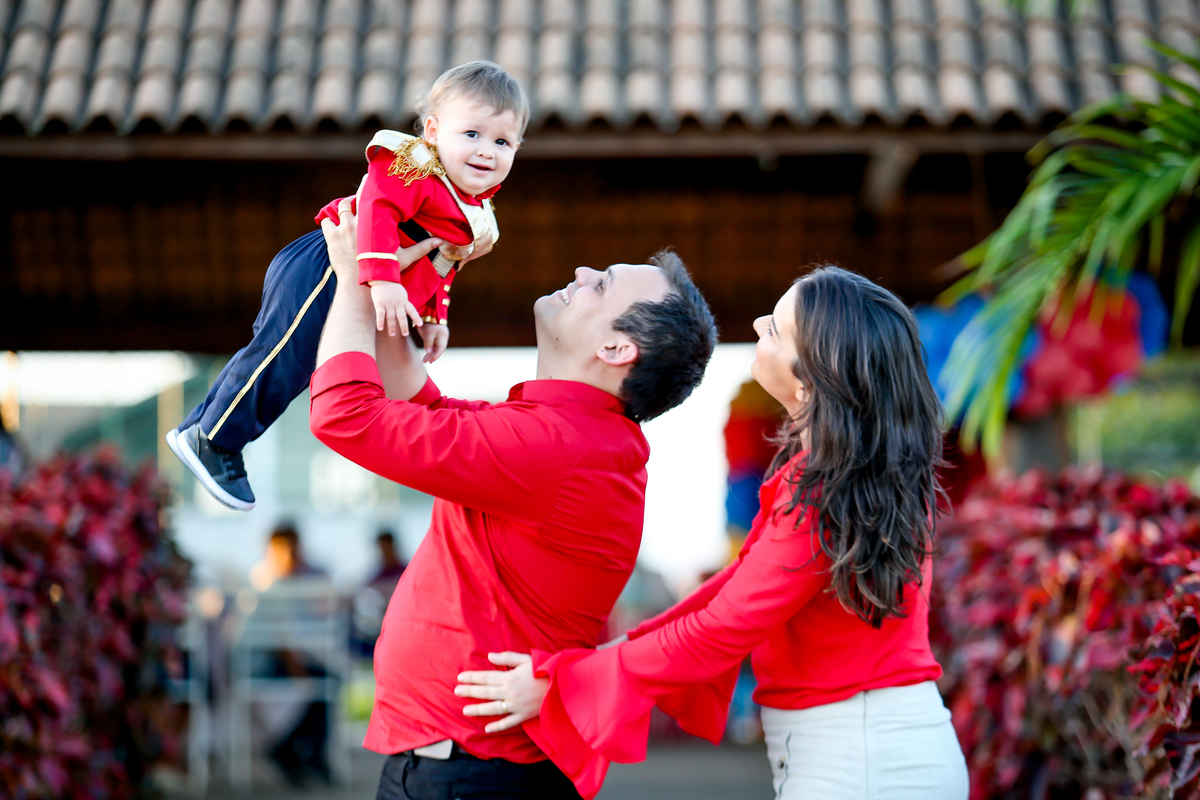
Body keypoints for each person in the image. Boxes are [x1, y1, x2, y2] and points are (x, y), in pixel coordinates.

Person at [455, 266, 970, 800]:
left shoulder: (822, 493)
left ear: (810, 376)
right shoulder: (849, 475)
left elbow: (723, 625)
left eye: (774, 327)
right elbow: (726, 597)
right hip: (872, 749)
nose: (755, 323)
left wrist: (564, 682)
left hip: (860, 761)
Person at [308, 197, 717, 799]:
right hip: (470, 767)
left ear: (615, 350)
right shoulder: (570, 434)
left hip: (468, 773)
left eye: (601, 286)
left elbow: (344, 416)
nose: (581, 275)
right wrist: (387, 287)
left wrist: (352, 281)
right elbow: (421, 408)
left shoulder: (559, 446)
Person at [166, 61, 527, 511]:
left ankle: (200, 427)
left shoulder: (473, 210)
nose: (486, 151)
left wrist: (435, 318)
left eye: (502, 142)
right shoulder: (416, 168)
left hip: (358, 278)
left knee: (288, 360)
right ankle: (217, 441)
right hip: (327, 265)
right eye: (471, 134)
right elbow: (375, 208)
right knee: (286, 354)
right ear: (433, 132)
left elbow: (444, 263)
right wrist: (385, 279)